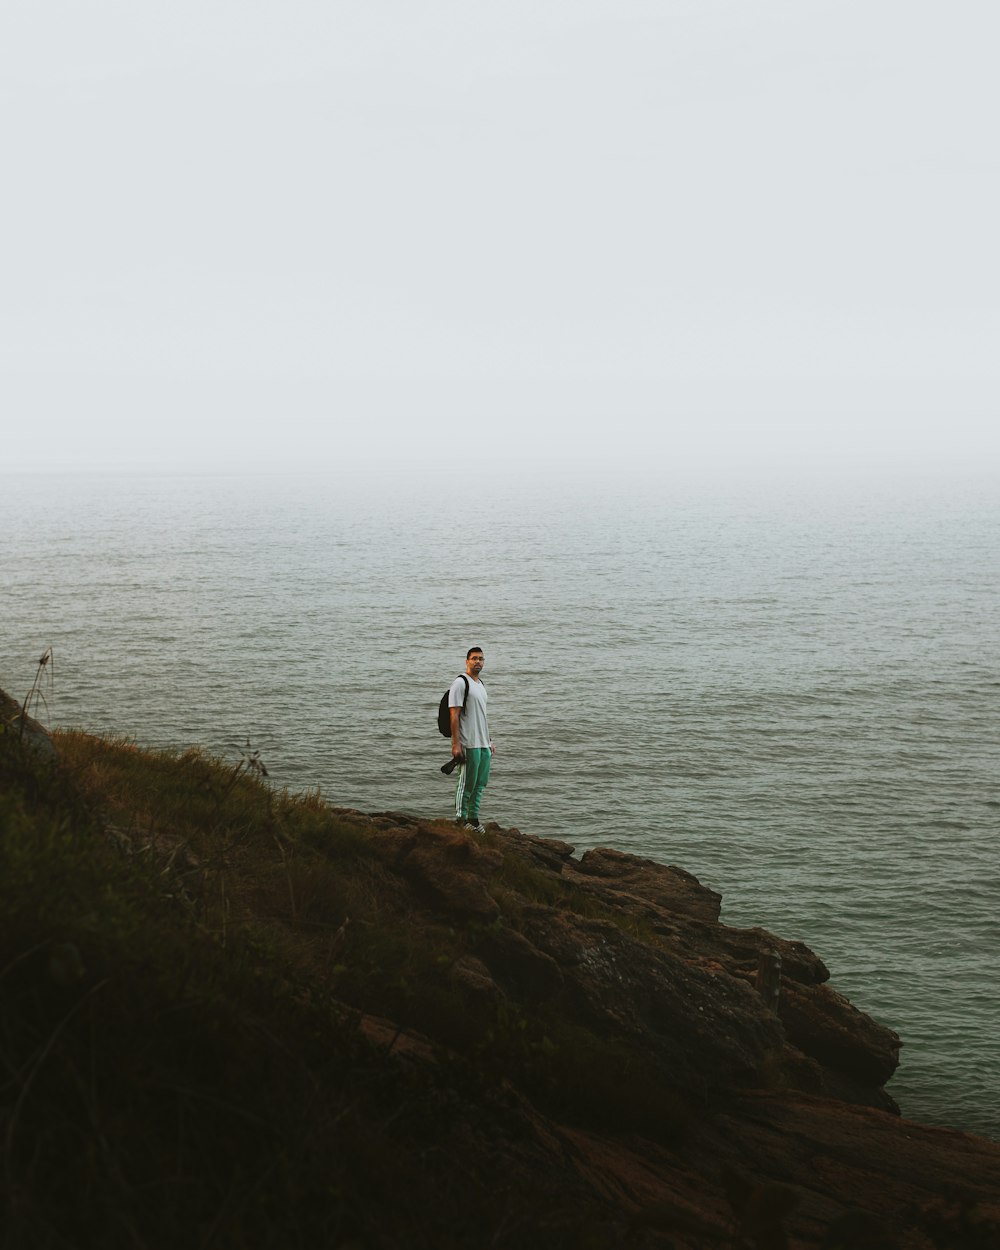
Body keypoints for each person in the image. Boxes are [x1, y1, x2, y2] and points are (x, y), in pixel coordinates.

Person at [448, 646, 494, 833]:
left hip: (483, 743)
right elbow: (454, 715)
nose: (478, 661)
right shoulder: (460, 683)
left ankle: (473, 819)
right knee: (465, 783)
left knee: (480, 784)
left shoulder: (480, 684)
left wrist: (489, 741)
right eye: (474, 658)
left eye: (481, 659)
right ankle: (460, 819)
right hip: (468, 743)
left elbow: (481, 715)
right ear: (467, 661)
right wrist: (456, 744)